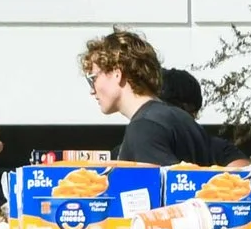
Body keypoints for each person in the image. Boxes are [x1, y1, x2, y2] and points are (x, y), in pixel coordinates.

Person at [82, 29, 222, 165]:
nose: (92, 91)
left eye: (93, 79)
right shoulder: (182, 119)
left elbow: (155, 188)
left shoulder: (144, 128)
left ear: (117, 74)